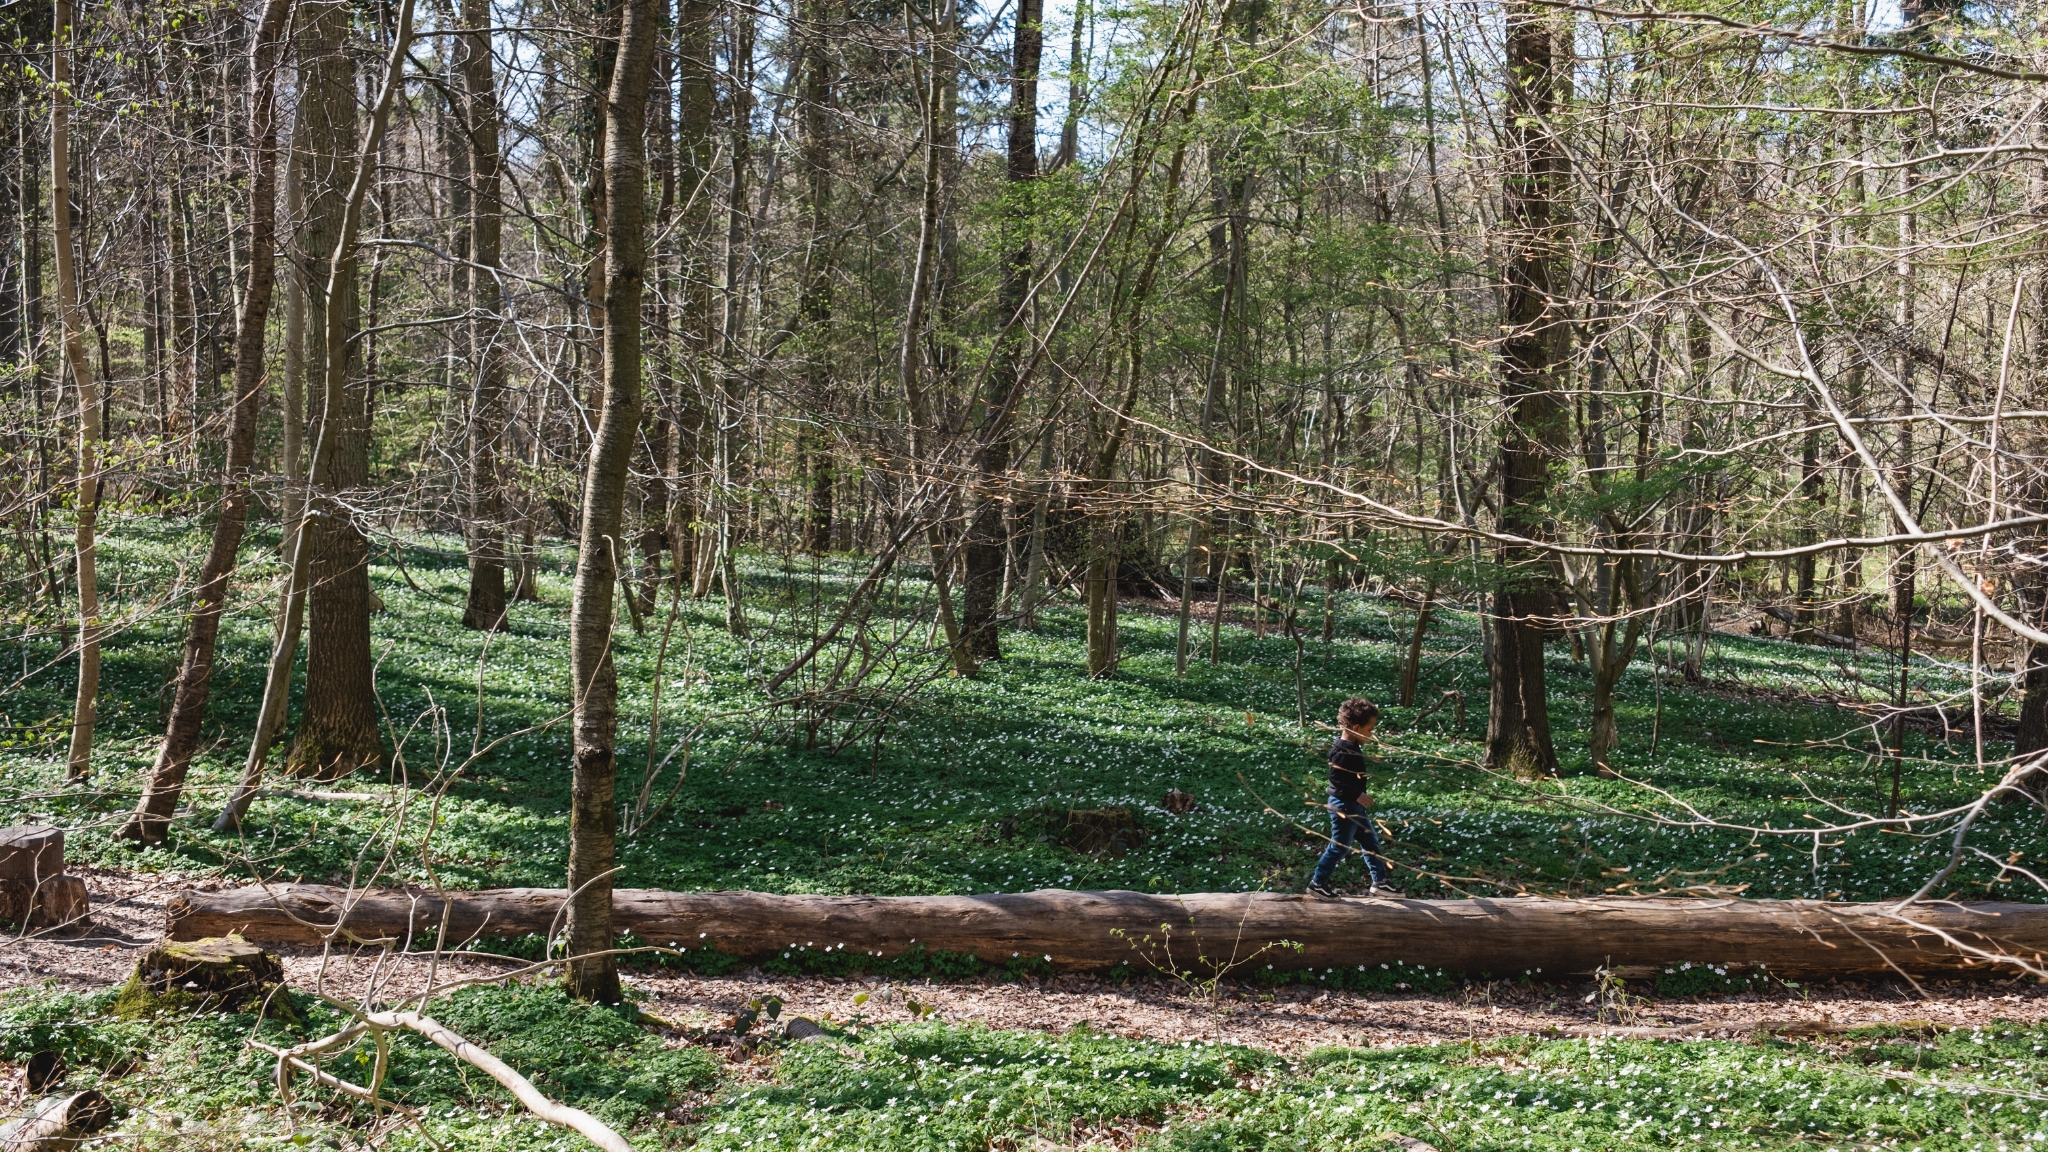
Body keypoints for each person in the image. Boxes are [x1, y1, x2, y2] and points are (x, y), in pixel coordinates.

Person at [1307, 696, 1402, 898]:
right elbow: (1336, 778)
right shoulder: (1343, 750)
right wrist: (1357, 794)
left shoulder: (1351, 746)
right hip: (1344, 806)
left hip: (1353, 807)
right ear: (1356, 728)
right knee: (1339, 847)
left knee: (1370, 842)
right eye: (1369, 730)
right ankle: (1317, 883)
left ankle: (1379, 882)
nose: (1371, 734)